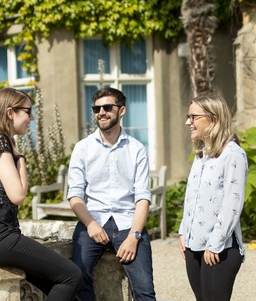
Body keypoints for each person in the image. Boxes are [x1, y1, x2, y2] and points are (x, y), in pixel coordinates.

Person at [0, 87, 82, 300]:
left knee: (62, 286)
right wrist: (21, 160)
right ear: (11, 113)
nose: (32, 117)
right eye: (28, 111)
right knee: (71, 276)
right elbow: (18, 195)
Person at [67, 87, 156, 301]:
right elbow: (75, 196)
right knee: (76, 277)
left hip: (128, 222)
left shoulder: (136, 149)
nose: (101, 112)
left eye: (107, 107)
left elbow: (142, 197)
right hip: (94, 219)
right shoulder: (82, 148)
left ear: (122, 110)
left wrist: (134, 236)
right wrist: (90, 224)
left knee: (144, 290)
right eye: (96, 108)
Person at [178, 93, 247, 301]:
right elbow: (192, 197)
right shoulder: (201, 155)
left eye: (193, 117)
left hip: (219, 249)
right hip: (193, 246)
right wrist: (183, 232)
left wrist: (214, 244)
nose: (188, 122)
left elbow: (232, 204)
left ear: (214, 119)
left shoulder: (233, 154)